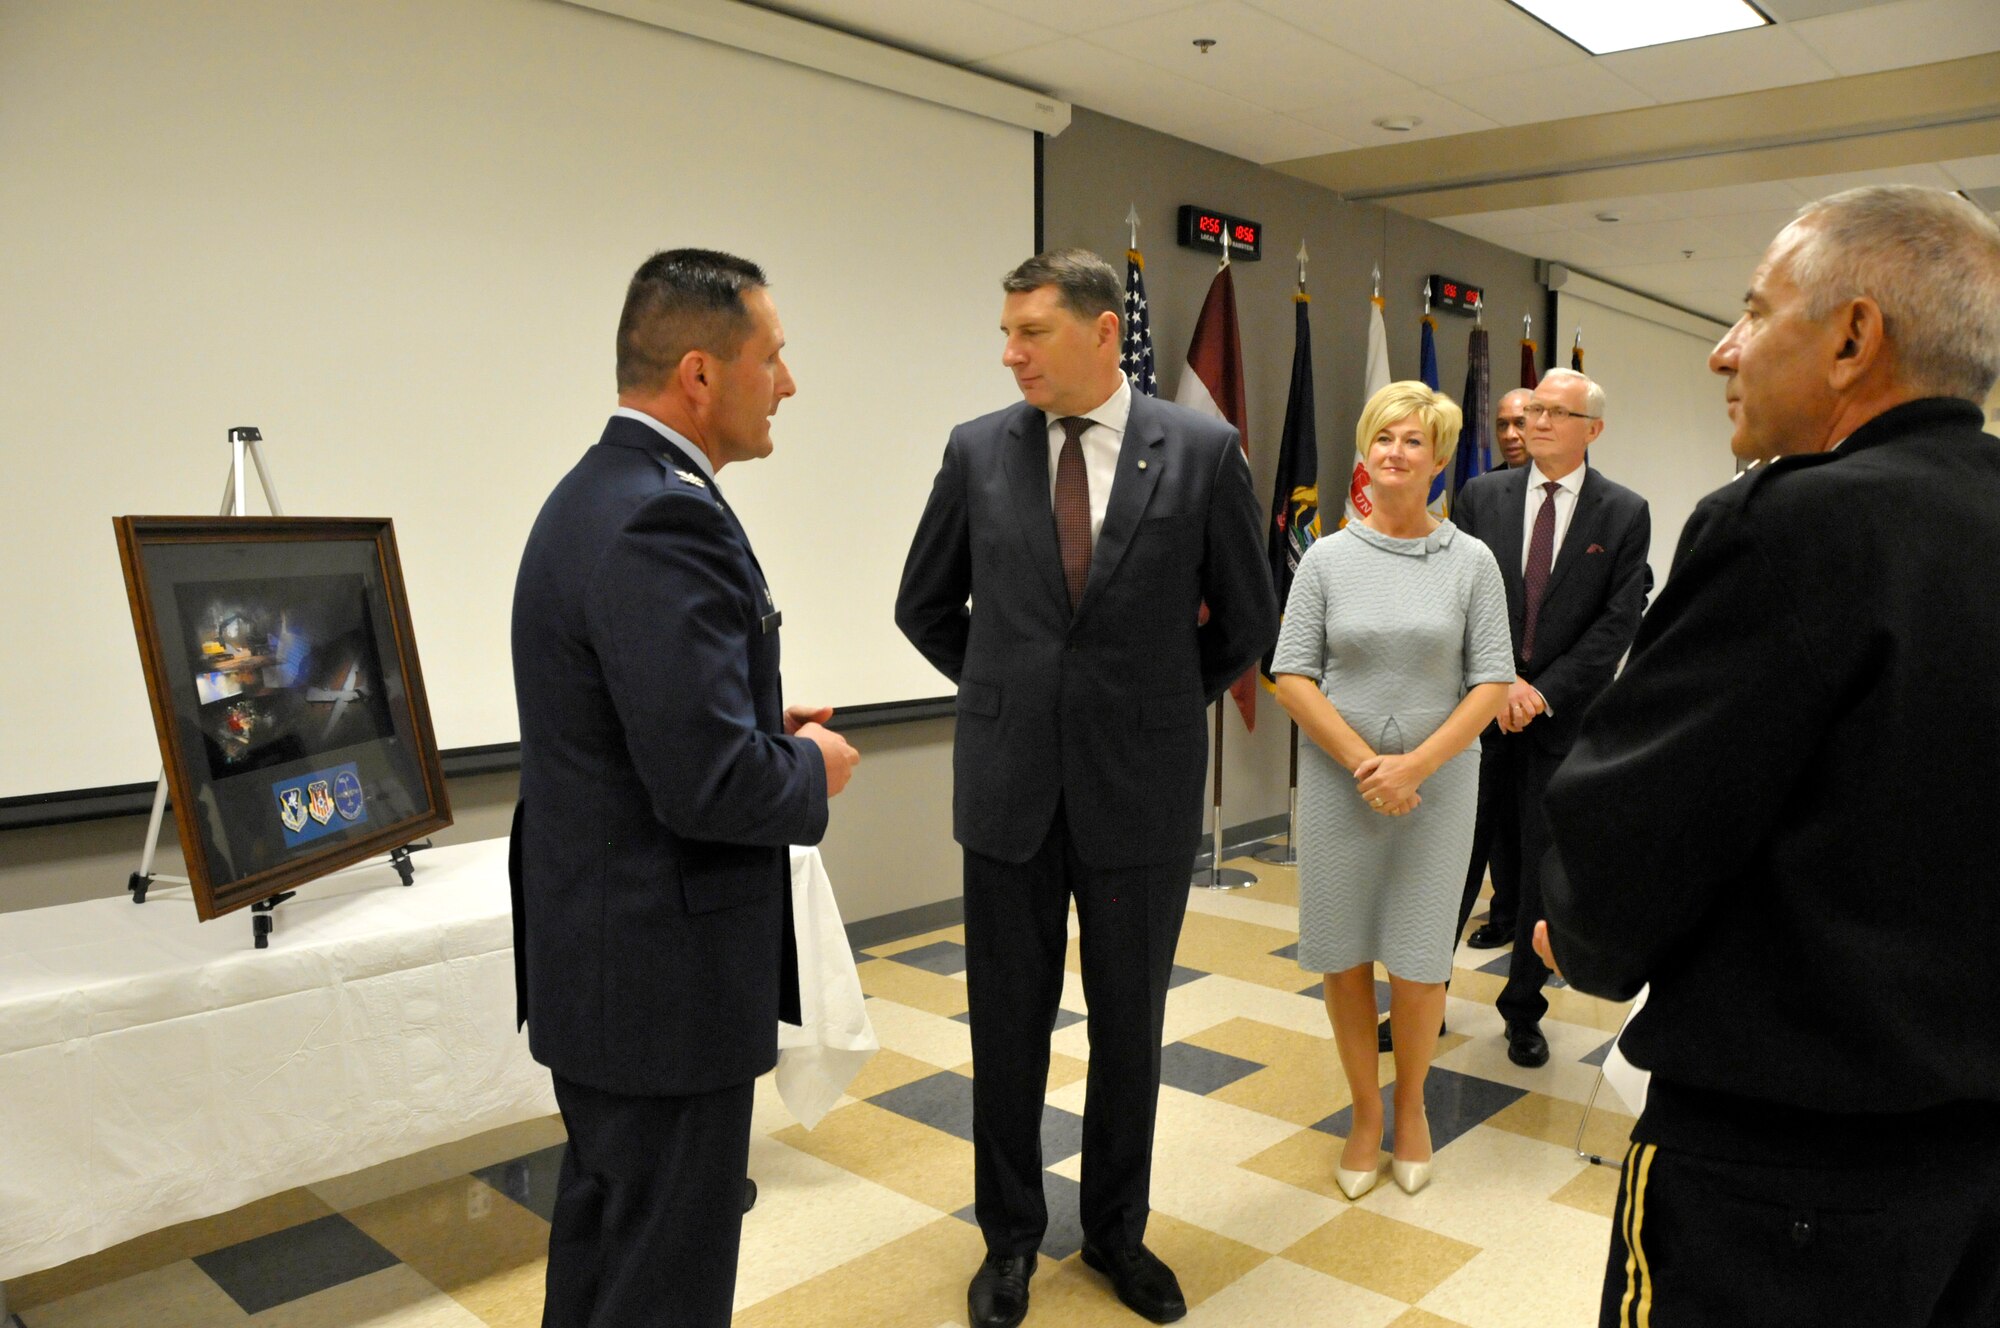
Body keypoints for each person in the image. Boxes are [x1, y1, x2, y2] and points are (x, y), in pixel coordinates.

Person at [1537, 185, 2000, 1327]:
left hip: (1776, 1179)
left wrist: (1580, 934)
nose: (1720, 350)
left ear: (1851, 337)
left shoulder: (1792, 523)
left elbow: (1629, 832)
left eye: (1751, 310)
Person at [896, 249, 1277, 1328]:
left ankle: (1115, 1231)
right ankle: (1008, 1238)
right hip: (1008, 789)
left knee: (1127, 1027)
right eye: (1005, 333)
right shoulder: (979, 449)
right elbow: (924, 604)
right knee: (1004, 1028)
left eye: (1030, 332)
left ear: (1105, 333)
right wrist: (1012, 692)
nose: (1009, 352)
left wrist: (1153, 703)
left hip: (1138, 792)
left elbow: (1244, 619)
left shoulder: (1199, 449)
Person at [509, 249, 860, 1328]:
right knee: (665, 1272)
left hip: (606, 960)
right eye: (774, 357)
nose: (787, 383)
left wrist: (765, 724)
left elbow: (645, 726)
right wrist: (809, 766)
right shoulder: (667, 518)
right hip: (657, 979)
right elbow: (706, 783)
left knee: (611, 1238)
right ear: (701, 375)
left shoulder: (596, 494)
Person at [1271, 381, 1512, 1199]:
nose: (1395, 453)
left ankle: (1412, 1109)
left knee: (1417, 959)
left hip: (1440, 789)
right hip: (1344, 790)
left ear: (1440, 459)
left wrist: (1415, 767)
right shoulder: (1328, 558)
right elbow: (1292, 674)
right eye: (1383, 439)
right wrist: (1367, 765)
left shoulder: (1471, 562)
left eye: (1413, 441)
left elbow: (1490, 683)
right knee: (1342, 954)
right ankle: (1364, 1113)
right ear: (1364, 455)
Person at [1449, 367, 1650, 1069]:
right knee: (1453, 862)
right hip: (1476, 712)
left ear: (1592, 429)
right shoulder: (1481, 497)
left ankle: (1523, 1011)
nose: (1534, 422)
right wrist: (1498, 682)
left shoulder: (1622, 512)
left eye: (1555, 413)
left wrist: (1540, 691)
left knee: (1538, 870)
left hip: (1559, 720)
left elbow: (1617, 621)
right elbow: (1461, 598)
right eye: (1531, 410)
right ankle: (1422, 997)